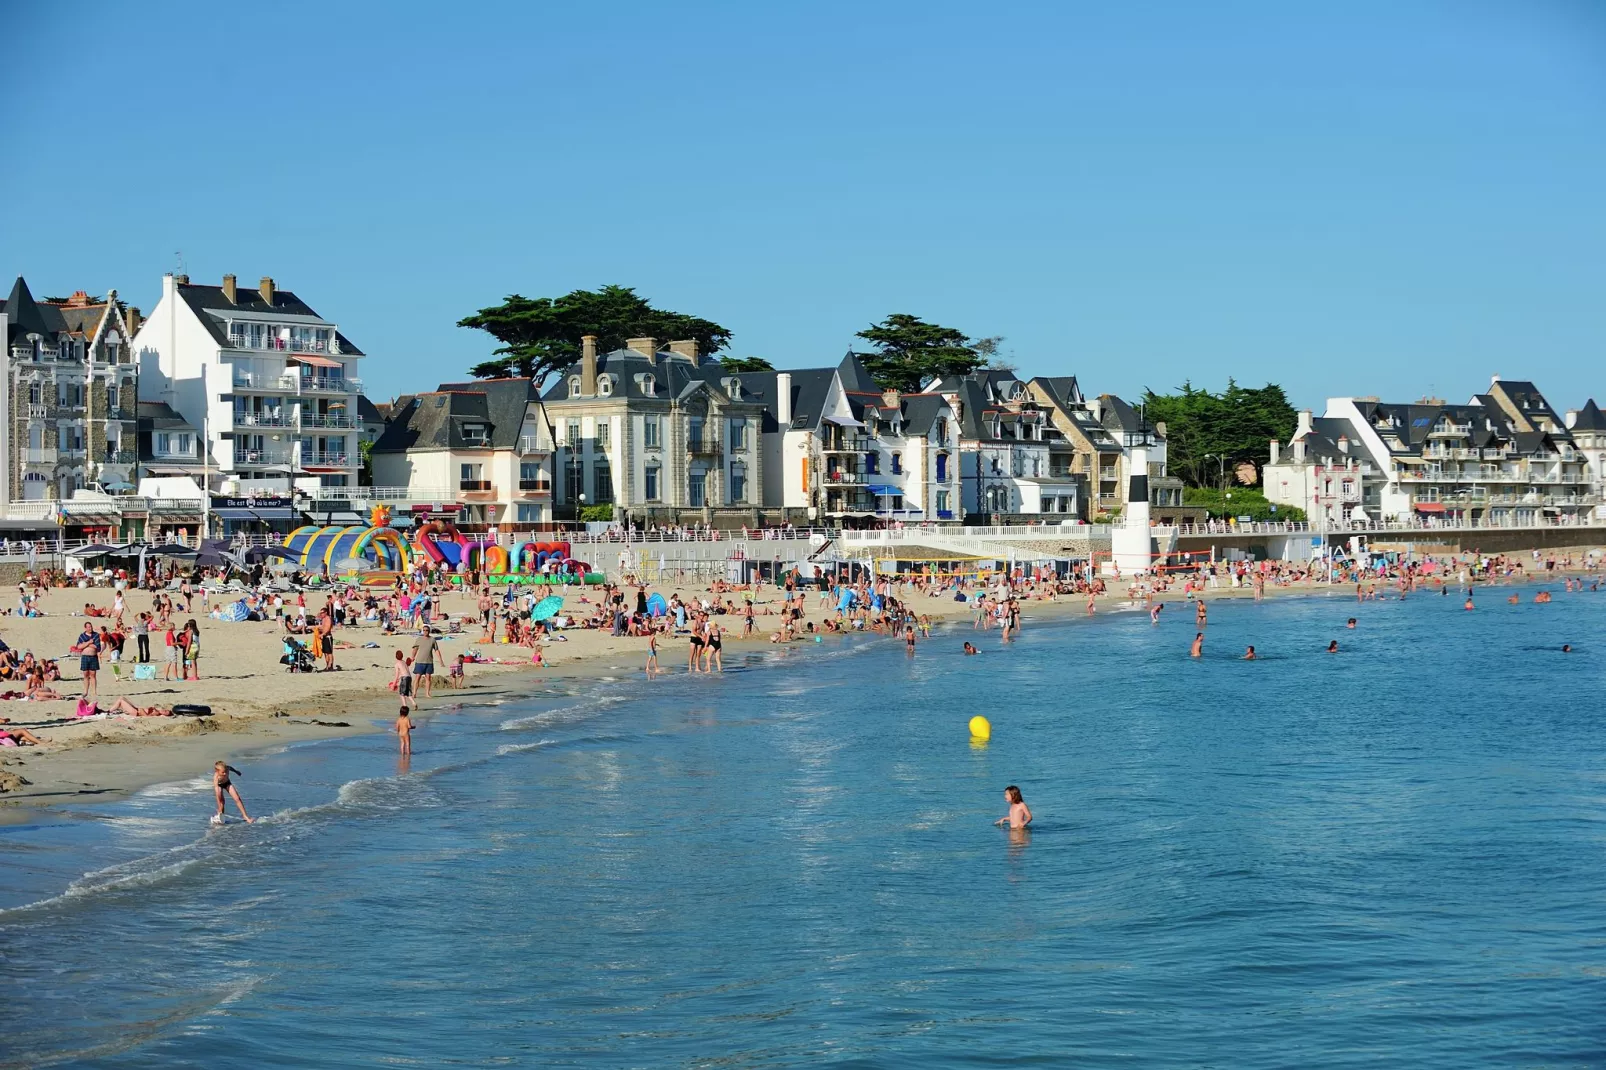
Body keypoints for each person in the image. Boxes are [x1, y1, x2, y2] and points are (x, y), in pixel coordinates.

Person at [71, 623, 101, 701]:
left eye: (91, 626)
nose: (90, 628)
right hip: (85, 657)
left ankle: (94, 691)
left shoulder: (96, 635)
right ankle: (85, 691)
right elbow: (78, 646)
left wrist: (86, 644)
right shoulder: (82, 636)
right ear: (85, 628)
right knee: (85, 674)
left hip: (93, 657)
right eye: (88, 627)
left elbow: (97, 647)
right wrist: (89, 643)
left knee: (93, 674)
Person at [412, 628, 439, 700]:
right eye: (424, 630)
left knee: (428, 678)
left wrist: (440, 660)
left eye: (427, 630)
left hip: (429, 662)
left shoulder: (432, 640)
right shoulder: (419, 639)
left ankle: (427, 693)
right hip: (420, 661)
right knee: (417, 677)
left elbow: (436, 650)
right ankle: (414, 693)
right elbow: (415, 649)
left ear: (429, 631)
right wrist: (412, 657)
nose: (425, 631)